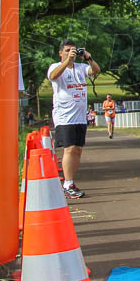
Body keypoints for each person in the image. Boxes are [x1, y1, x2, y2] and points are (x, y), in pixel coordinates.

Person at [47, 40, 100, 199]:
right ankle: (67, 184)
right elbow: (53, 76)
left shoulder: (81, 68)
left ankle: (70, 182)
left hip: (80, 116)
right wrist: (67, 62)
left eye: (74, 51)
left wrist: (89, 58)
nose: (72, 53)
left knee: (78, 149)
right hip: (64, 116)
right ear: (60, 53)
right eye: (68, 50)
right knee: (69, 149)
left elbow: (96, 70)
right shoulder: (55, 66)